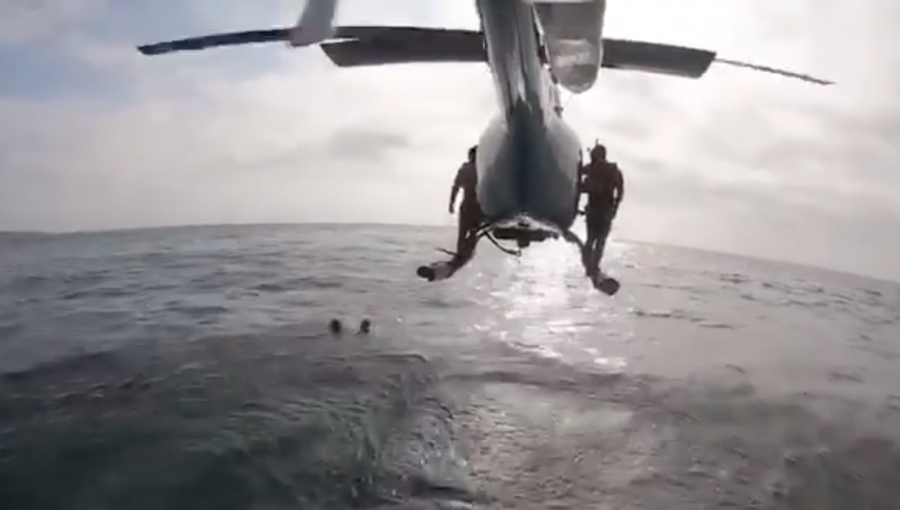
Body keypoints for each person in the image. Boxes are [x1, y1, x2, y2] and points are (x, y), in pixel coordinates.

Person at [580, 143, 624, 278]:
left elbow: (578, 176)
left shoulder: (592, 168)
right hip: (605, 212)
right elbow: (620, 191)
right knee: (599, 242)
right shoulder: (614, 170)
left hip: (594, 211)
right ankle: (594, 266)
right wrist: (615, 208)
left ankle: (589, 267)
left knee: (590, 240)